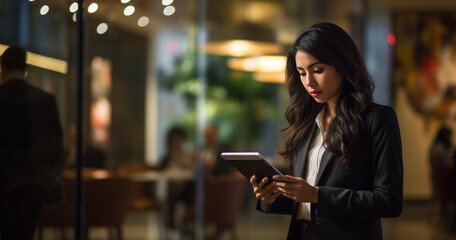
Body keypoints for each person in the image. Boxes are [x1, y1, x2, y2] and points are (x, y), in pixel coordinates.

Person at [250, 22, 403, 240]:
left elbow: (389, 201)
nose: (309, 82)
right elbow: (303, 204)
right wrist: (270, 197)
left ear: (343, 65)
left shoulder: (377, 119)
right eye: (302, 73)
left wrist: (317, 195)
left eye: (317, 70)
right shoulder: (306, 122)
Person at [0, 45, 65, 239]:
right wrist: (54, 174)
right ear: (26, 69)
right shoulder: (45, 100)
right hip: (34, 183)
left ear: (2, 67)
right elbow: (56, 146)